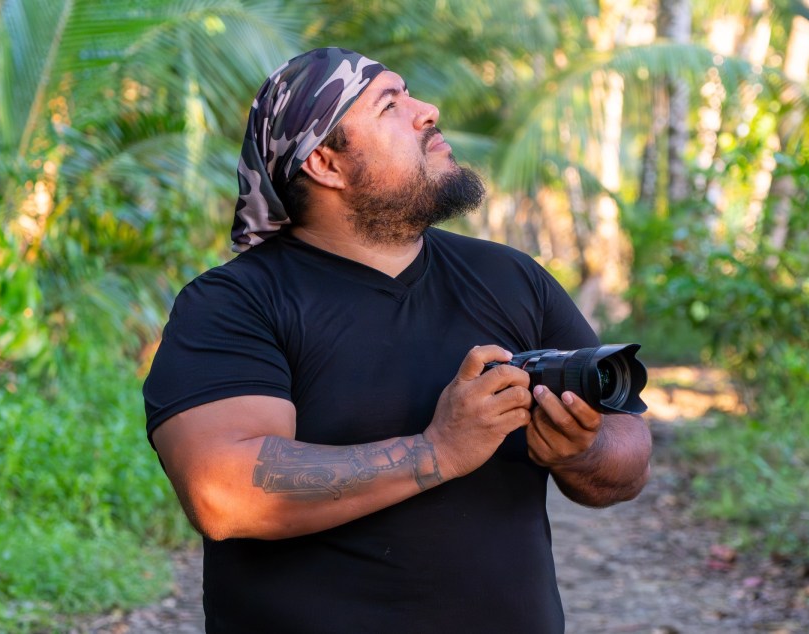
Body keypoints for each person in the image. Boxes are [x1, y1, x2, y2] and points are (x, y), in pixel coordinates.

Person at [142, 47, 652, 633]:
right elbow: (223, 493)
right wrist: (436, 451)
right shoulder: (234, 303)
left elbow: (628, 455)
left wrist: (579, 451)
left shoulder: (512, 278)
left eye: (409, 93)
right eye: (390, 104)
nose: (427, 110)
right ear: (325, 163)